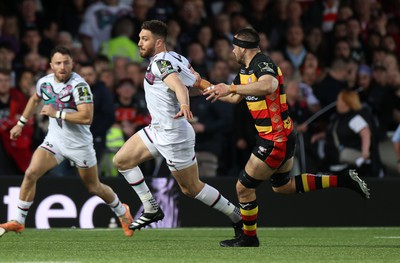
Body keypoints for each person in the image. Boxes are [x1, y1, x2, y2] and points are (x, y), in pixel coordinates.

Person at [202, 28, 370, 247]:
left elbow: (269, 85)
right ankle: (344, 179)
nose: (232, 51)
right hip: (282, 135)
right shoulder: (245, 70)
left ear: (242, 48)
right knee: (282, 186)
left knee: (243, 188)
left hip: (275, 139)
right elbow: (233, 97)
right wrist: (200, 84)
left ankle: (249, 237)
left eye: (234, 47)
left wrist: (231, 87)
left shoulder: (262, 63)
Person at [112, 20, 242, 237]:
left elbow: (180, 86)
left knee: (191, 188)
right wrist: (225, 94)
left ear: (159, 42)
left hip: (174, 135)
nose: (139, 43)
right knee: (122, 161)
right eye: (139, 38)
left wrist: (184, 104)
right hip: (157, 130)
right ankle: (151, 208)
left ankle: (236, 215)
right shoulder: (177, 58)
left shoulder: (159, 64)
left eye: (145, 39)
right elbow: (197, 83)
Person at [0, 46, 134, 237]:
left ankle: (122, 211)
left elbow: (87, 117)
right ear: (51, 65)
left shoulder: (79, 86)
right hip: (55, 140)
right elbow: (35, 99)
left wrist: (57, 113)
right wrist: (20, 123)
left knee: (93, 186)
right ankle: (19, 221)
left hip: (79, 145)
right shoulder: (44, 82)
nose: (62, 67)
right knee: (31, 173)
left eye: (66, 62)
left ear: (73, 64)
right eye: (58, 63)